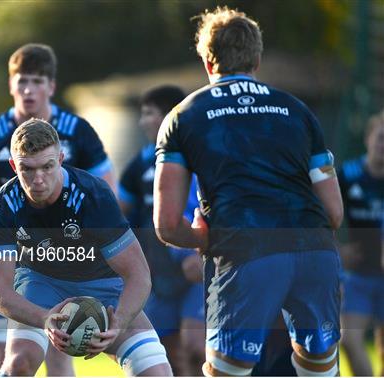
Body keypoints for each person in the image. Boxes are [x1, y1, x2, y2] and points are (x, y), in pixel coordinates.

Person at [153, 6, 343, 377]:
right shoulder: (298, 111)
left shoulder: (183, 116)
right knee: (319, 366)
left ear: (208, 61)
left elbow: (165, 224)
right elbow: (334, 214)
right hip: (314, 251)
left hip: (247, 252)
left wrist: (200, 237)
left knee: (227, 371)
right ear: (257, 58)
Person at [0, 43, 116, 376]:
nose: (28, 90)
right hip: (11, 256)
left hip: (69, 257)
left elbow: (107, 189)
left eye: (36, 81)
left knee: (62, 348)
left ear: (51, 86)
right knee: (6, 354)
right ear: (10, 85)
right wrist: (6, 229)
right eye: (21, 81)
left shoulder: (78, 130)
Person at [0, 118, 172, 376]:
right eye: (27, 169)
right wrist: (43, 317)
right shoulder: (2, 207)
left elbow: (139, 275)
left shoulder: (94, 197)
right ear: (14, 166)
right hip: (40, 284)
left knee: (156, 372)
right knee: (19, 364)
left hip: (103, 286)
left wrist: (119, 321)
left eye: (47, 166)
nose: (38, 179)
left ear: (60, 159)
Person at [118, 85, 206, 375]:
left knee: (196, 347)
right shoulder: (140, 163)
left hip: (197, 263)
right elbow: (120, 212)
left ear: (169, 116)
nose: (142, 121)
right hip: (157, 271)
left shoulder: (202, 154)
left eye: (148, 113)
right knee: (166, 354)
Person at [338, 110, 384, 377]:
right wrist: (337, 250)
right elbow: (322, 213)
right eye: (380, 138)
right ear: (368, 139)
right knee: (349, 339)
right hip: (357, 275)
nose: (383, 146)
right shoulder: (348, 175)